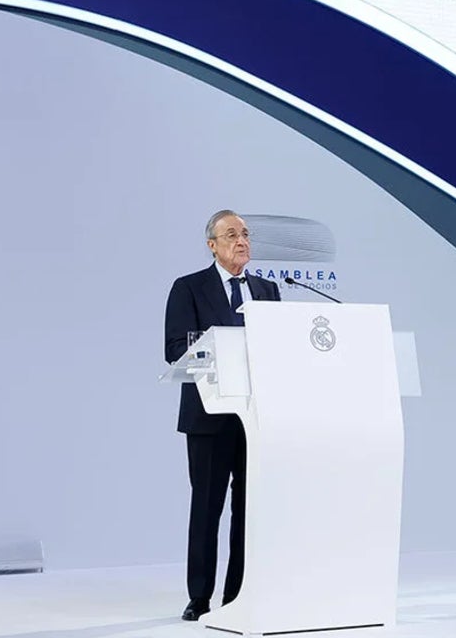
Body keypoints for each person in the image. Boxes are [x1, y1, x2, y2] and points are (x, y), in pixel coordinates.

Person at [163, 210, 281, 621]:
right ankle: (199, 597)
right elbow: (175, 348)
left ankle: (238, 595)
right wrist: (220, 350)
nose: (241, 240)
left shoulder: (267, 290)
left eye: (245, 234)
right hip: (209, 416)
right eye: (231, 234)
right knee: (207, 508)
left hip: (254, 418)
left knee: (248, 510)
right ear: (212, 245)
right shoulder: (189, 288)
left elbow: (278, 347)